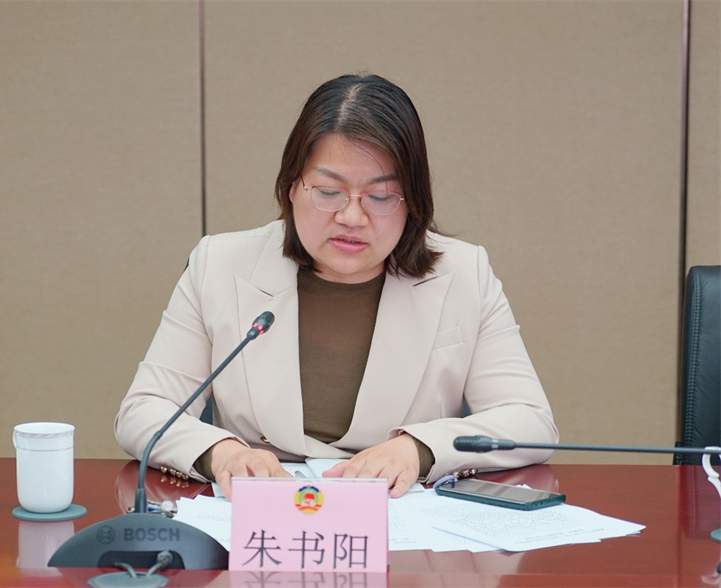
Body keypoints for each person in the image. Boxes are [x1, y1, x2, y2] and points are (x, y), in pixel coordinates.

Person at [114, 73, 558, 499]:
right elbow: (143, 411)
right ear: (292, 187)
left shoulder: (463, 273)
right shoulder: (219, 264)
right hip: (261, 515)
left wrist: (418, 450)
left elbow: (531, 422)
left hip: (402, 518)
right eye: (329, 192)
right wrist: (222, 454)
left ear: (413, 202)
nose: (351, 216)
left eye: (380, 197)